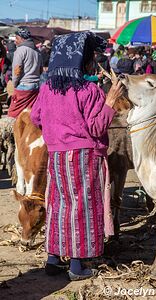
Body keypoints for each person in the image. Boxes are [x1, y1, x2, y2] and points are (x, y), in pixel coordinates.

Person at [30, 31, 124, 281]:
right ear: (81, 61)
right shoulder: (89, 90)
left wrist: (57, 130)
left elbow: (35, 117)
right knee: (82, 206)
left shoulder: (47, 88)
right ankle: (77, 265)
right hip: (83, 155)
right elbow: (95, 128)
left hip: (57, 155)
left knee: (58, 204)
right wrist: (111, 102)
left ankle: (53, 259)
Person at [8, 27, 42, 118]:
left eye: (17, 38)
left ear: (22, 39)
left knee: (13, 114)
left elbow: (17, 71)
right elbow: (41, 70)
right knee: (28, 114)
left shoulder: (20, 50)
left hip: (24, 86)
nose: (15, 41)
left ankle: (15, 132)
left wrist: (14, 85)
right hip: (36, 86)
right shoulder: (37, 51)